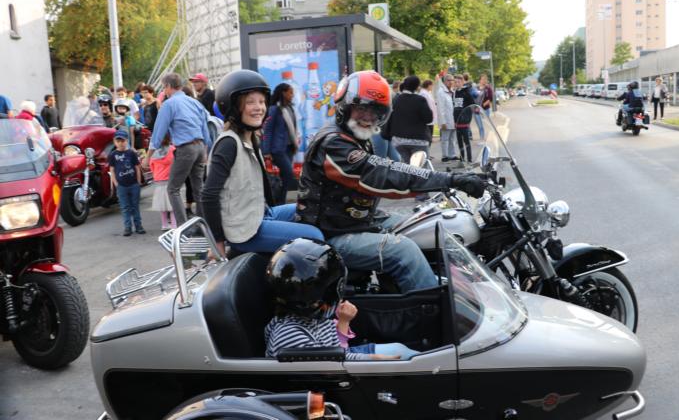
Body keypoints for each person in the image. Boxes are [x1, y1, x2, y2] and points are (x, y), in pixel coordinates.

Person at [297, 70, 489, 293]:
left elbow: (387, 168)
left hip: (354, 221)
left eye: (375, 112)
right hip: (331, 234)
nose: (368, 117)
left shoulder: (353, 137)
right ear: (345, 105)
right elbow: (383, 174)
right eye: (362, 108)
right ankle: (430, 308)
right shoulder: (334, 144)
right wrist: (450, 179)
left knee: (425, 224)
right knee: (404, 251)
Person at [200, 69, 323, 256]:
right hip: (244, 229)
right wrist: (218, 241)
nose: (259, 107)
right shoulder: (228, 143)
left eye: (262, 101)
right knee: (315, 237)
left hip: (260, 213)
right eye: (250, 102)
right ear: (234, 107)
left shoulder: (249, 137)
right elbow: (209, 194)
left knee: (314, 209)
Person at [265, 238, 418, 361]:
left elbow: (334, 349)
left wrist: (343, 321)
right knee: (404, 356)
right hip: (335, 369)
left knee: (400, 350)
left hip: (338, 357)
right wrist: (372, 359)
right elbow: (333, 362)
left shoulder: (309, 316)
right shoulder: (290, 338)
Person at [143, 73, 210, 227]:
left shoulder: (169, 104)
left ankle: (183, 227)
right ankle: (203, 225)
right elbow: (205, 126)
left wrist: (148, 157)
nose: (164, 91)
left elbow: (158, 133)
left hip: (186, 148)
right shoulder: (194, 102)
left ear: (168, 86)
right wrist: (205, 150)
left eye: (164, 87)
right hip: (200, 146)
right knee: (198, 188)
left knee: (173, 189)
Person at [262, 82, 299, 204]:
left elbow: (292, 127)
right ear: (283, 93)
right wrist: (266, 152)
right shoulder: (274, 109)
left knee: (286, 177)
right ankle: (279, 202)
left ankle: (279, 202)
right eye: (290, 92)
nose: (292, 95)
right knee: (288, 174)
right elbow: (268, 130)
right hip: (278, 149)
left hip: (289, 148)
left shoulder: (289, 108)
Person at [388, 75, 433, 163]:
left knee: (405, 167)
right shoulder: (420, 100)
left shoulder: (397, 99)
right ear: (417, 86)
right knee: (421, 168)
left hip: (399, 140)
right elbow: (429, 119)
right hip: (418, 140)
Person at [108, 130, 145, 236]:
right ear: (114, 142)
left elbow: (137, 167)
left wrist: (138, 181)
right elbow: (112, 170)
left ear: (127, 141)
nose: (120, 143)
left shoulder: (131, 153)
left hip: (133, 184)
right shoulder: (113, 155)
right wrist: (115, 183)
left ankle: (138, 226)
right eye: (118, 141)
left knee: (135, 206)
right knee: (125, 207)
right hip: (121, 186)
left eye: (123, 141)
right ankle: (127, 227)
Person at [149, 136, 178, 231]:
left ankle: (164, 224)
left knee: (162, 205)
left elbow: (151, 166)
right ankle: (174, 225)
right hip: (170, 180)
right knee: (172, 205)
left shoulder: (153, 153)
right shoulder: (172, 149)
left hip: (159, 182)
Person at [433, 73, 458, 162]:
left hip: (453, 119)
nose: (451, 82)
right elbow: (440, 108)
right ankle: (445, 156)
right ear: (444, 81)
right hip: (445, 120)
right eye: (448, 80)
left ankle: (452, 155)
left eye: (452, 80)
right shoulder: (441, 92)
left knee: (452, 139)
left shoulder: (453, 91)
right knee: (445, 139)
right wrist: (442, 122)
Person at [474, 74, 493, 138]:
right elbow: (473, 98)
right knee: (480, 126)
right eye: (483, 79)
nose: (484, 81)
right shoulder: (475, 88)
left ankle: (483, 137)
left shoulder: (488, 88)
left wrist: (482, 106)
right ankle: (482, 138)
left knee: (484, 123)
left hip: (485, 109)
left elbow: (490, 99)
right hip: (477, 110)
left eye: (485, 79)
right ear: (480, 80)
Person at [419, 79, 437, 144]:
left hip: (430, 117)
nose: (432, 87)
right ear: (428, 85)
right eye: (432, 85)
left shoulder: (428, 93)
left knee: (429, 137)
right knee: (427, 138)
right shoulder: (423, 94)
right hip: (427, 119)